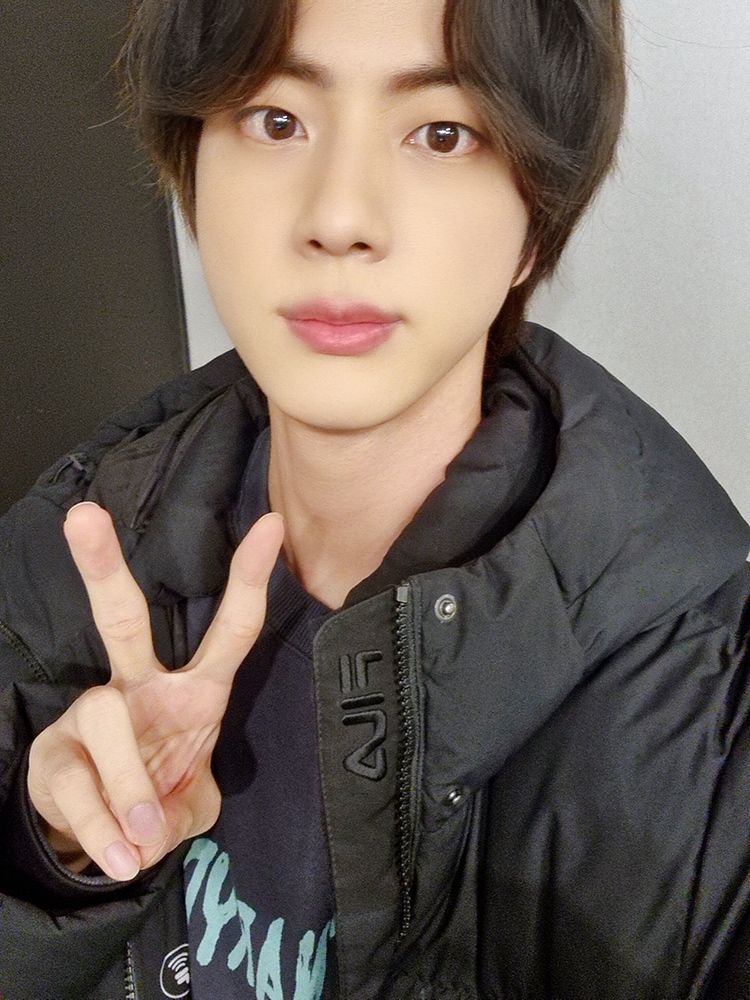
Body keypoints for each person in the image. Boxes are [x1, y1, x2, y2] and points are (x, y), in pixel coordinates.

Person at [0, 0, 748, 997]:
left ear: (535, 223)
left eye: (442, 133)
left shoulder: (707, 707)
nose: (340, 217)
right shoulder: (72, 547)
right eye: (276, 119)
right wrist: (53, 854)